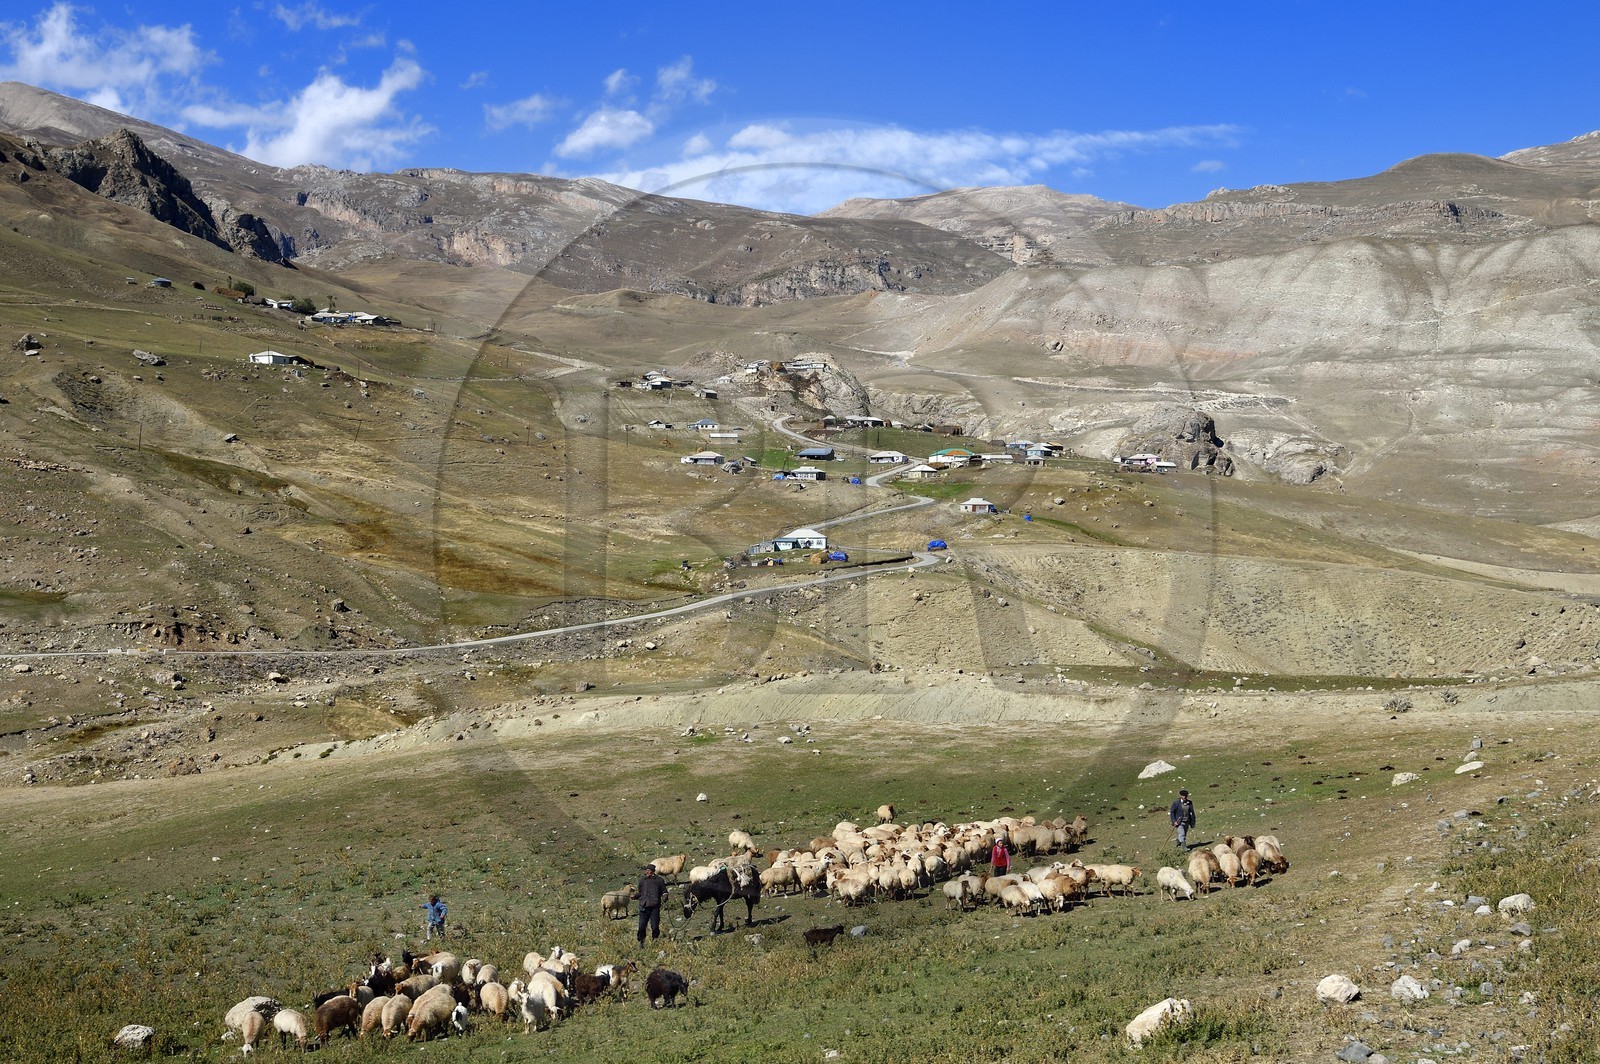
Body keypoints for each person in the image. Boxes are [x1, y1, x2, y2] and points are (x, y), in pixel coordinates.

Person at [636, 863, 667, 946]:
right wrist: (634, 896)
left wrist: (665, 896)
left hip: (654, 908)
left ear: (653, 871)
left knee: (655, 926)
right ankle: (641, 942)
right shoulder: (642, 880)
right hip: (643, 906)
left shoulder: (659, 880)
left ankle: (655, 940)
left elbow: (664, 891)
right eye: (646, 870)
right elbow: (640, 893)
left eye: (648, 870)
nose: (647, 872)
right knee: (642, 926)